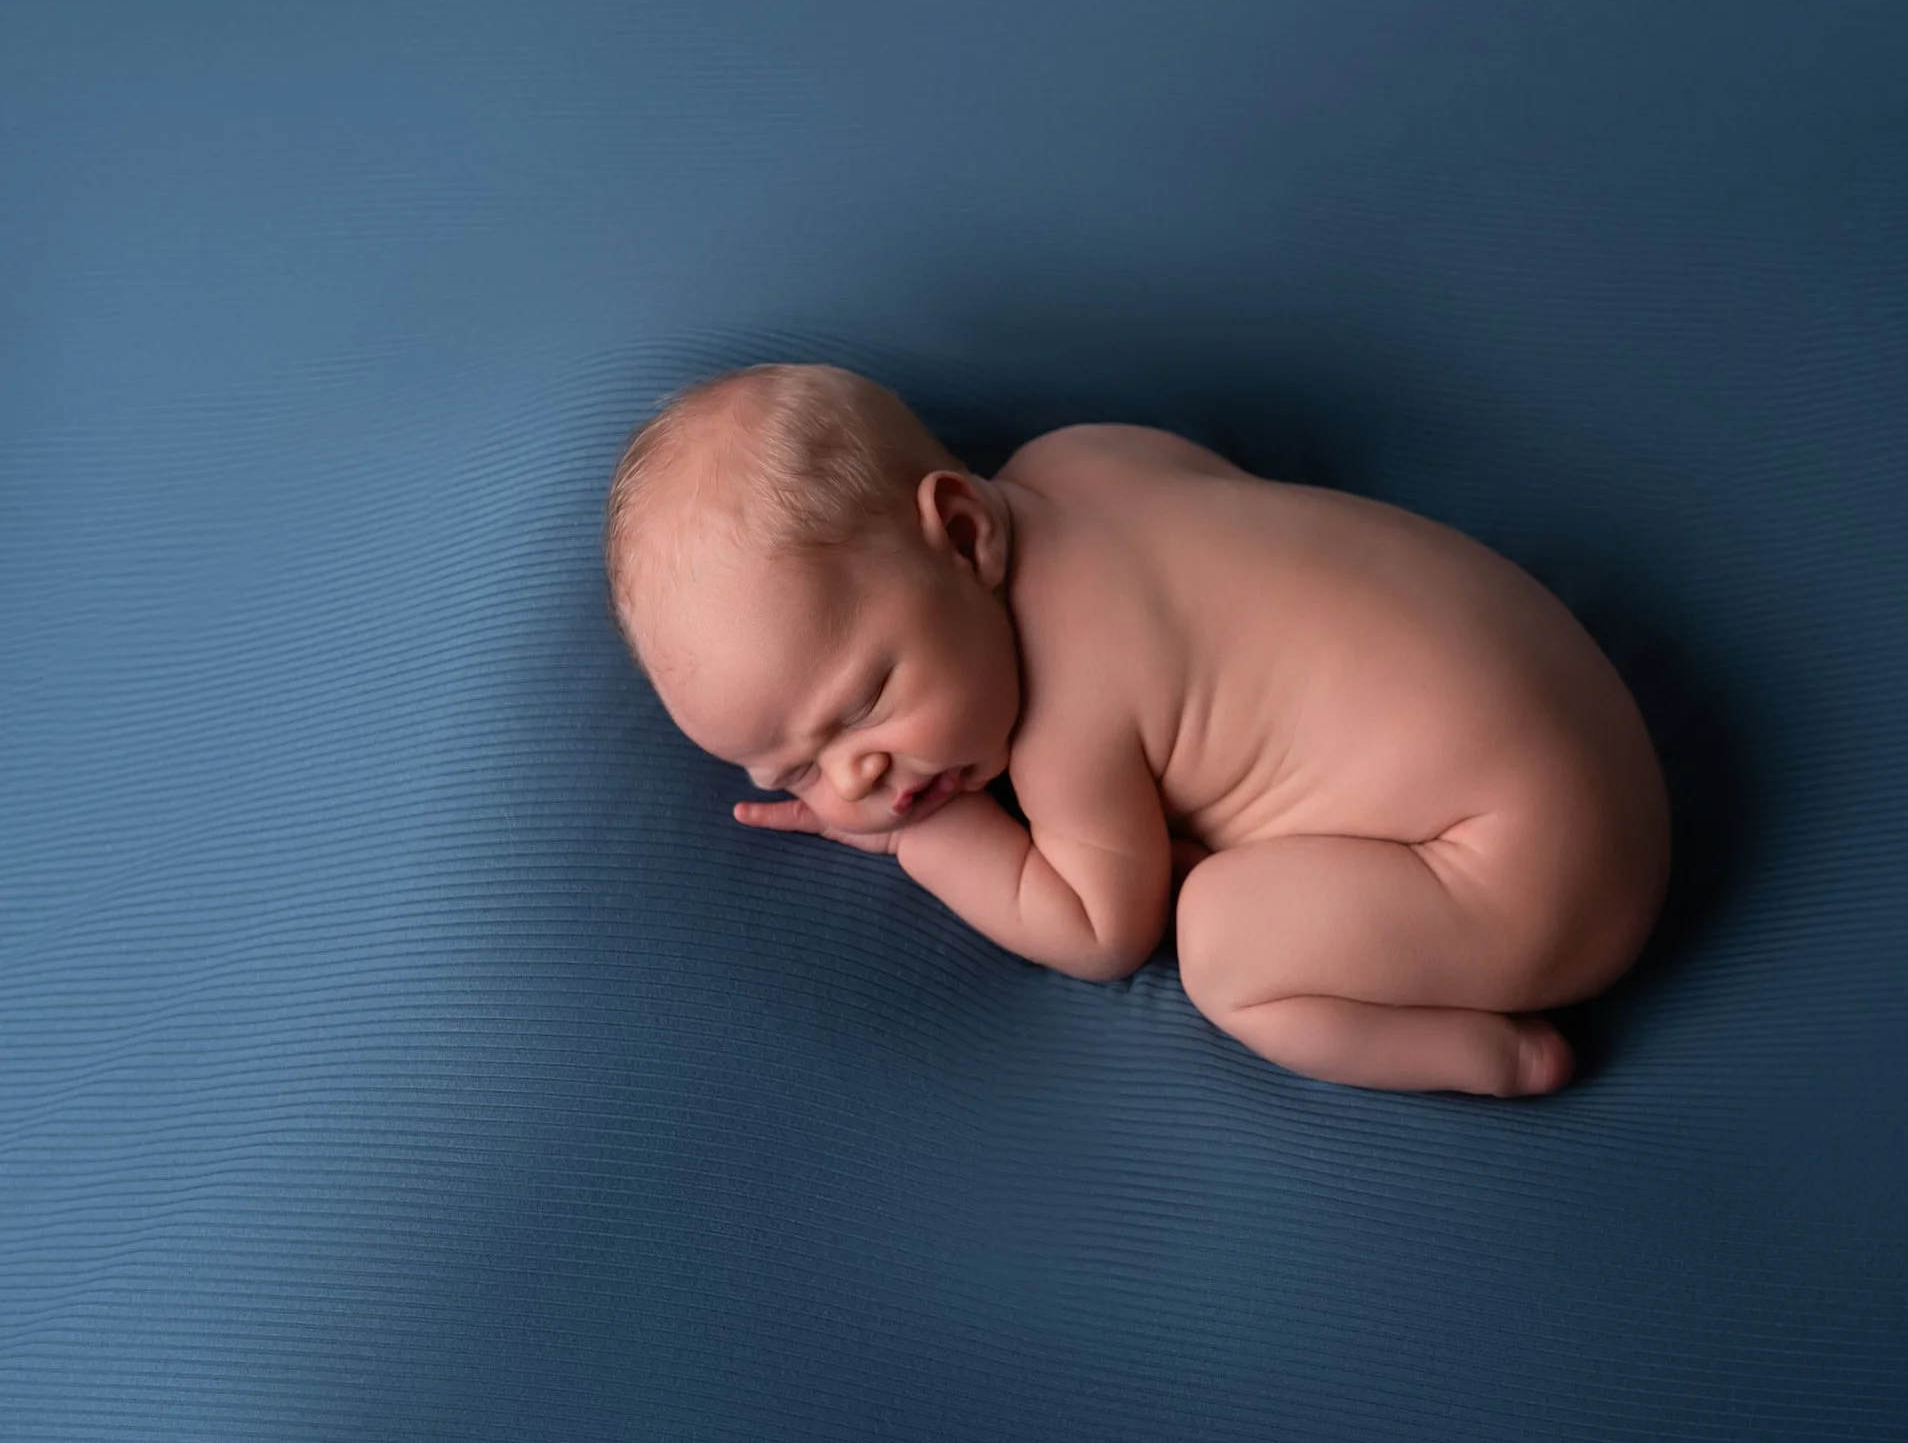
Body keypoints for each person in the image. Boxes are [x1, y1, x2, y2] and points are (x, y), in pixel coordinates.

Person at [604, 363, 1670, 1097]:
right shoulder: (1082, 457)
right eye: (792, 769)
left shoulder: (1069, 716)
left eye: (865, 703)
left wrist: (920, 840)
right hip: (1583, 721)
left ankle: (1495, 1057)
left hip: (1531, 880)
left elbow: (1097, 930)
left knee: (1217, 943)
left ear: (966, 536)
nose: (860, 774)